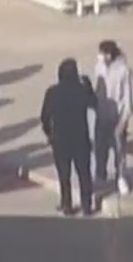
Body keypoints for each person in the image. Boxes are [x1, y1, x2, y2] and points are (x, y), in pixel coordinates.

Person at [41, 58, 98, 216]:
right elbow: (94, 104)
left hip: (60, 141)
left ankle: (67, 204)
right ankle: (86, 205)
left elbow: (45, 116)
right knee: (84, 174)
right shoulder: (81, 90)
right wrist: (89, 87)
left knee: (64, 175)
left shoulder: (52, 92)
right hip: (80, 139)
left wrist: (49, 133)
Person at [91, 41, 133, 192]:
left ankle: (121, 177)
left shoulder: (125, 70)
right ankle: (100, 176)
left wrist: (124, 120)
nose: (99, 57)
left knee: (119, 150)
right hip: (101, 115)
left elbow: (130, 97)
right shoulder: (99, 68)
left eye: (102, 54)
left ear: (109, 55)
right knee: (100, 149)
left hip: (117, 117)